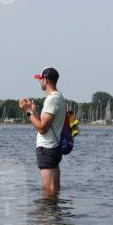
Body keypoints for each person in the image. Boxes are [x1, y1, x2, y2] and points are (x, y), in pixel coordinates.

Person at [19, 67, 66, 197]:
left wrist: (28, 111)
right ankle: (54, 209)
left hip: (47, 148)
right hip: (53, 147)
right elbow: (45, 124)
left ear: (45, 80)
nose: (39, 82)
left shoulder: (52, 99)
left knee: (49, 189)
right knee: (54, 188)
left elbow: (42, 128)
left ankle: (47, 210)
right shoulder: (59, 97)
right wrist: (34, 111)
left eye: (40, 79)